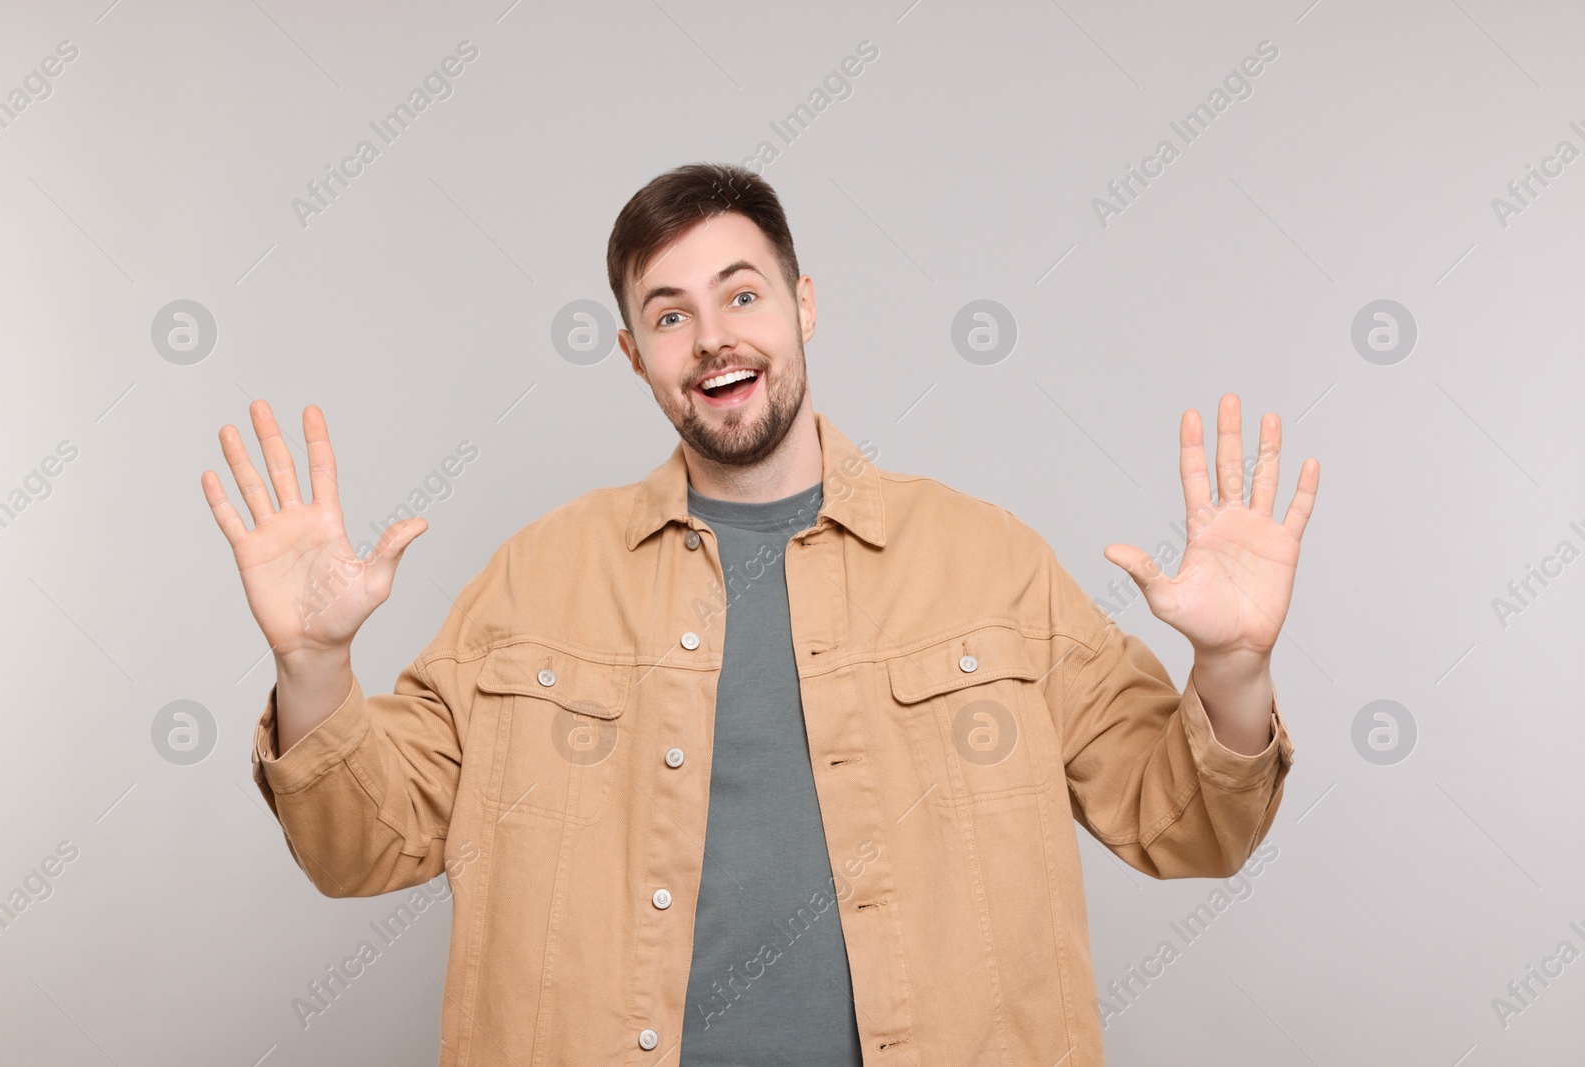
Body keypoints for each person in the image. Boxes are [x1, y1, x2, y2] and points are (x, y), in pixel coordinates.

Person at [201, 162, 1319, 1066]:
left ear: (803, 304)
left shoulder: (989, 564)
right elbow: (363, 845)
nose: (715, 338)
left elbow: (1190, 826)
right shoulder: (536, 578)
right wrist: (313, 666)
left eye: (742, 293)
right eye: (670, 314)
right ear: (637, 356)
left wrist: (1230, 664)